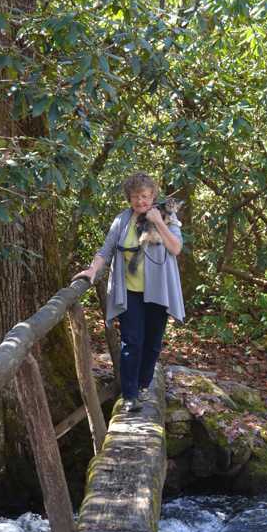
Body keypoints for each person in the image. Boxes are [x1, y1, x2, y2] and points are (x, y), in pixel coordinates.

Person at [73, 171, 185, 413]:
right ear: (129, 198)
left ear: (153, 196)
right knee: (131, 343)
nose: (140, 201)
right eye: (135, 197)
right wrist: (93, 270)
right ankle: (130, 395)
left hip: (158, 293)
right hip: (130, 293)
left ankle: (144, 384)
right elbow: (107, 249)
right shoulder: (121, 221)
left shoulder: (167, 217)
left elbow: (175, 248)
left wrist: (157, 221)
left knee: (153, 344)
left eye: (145, 196)